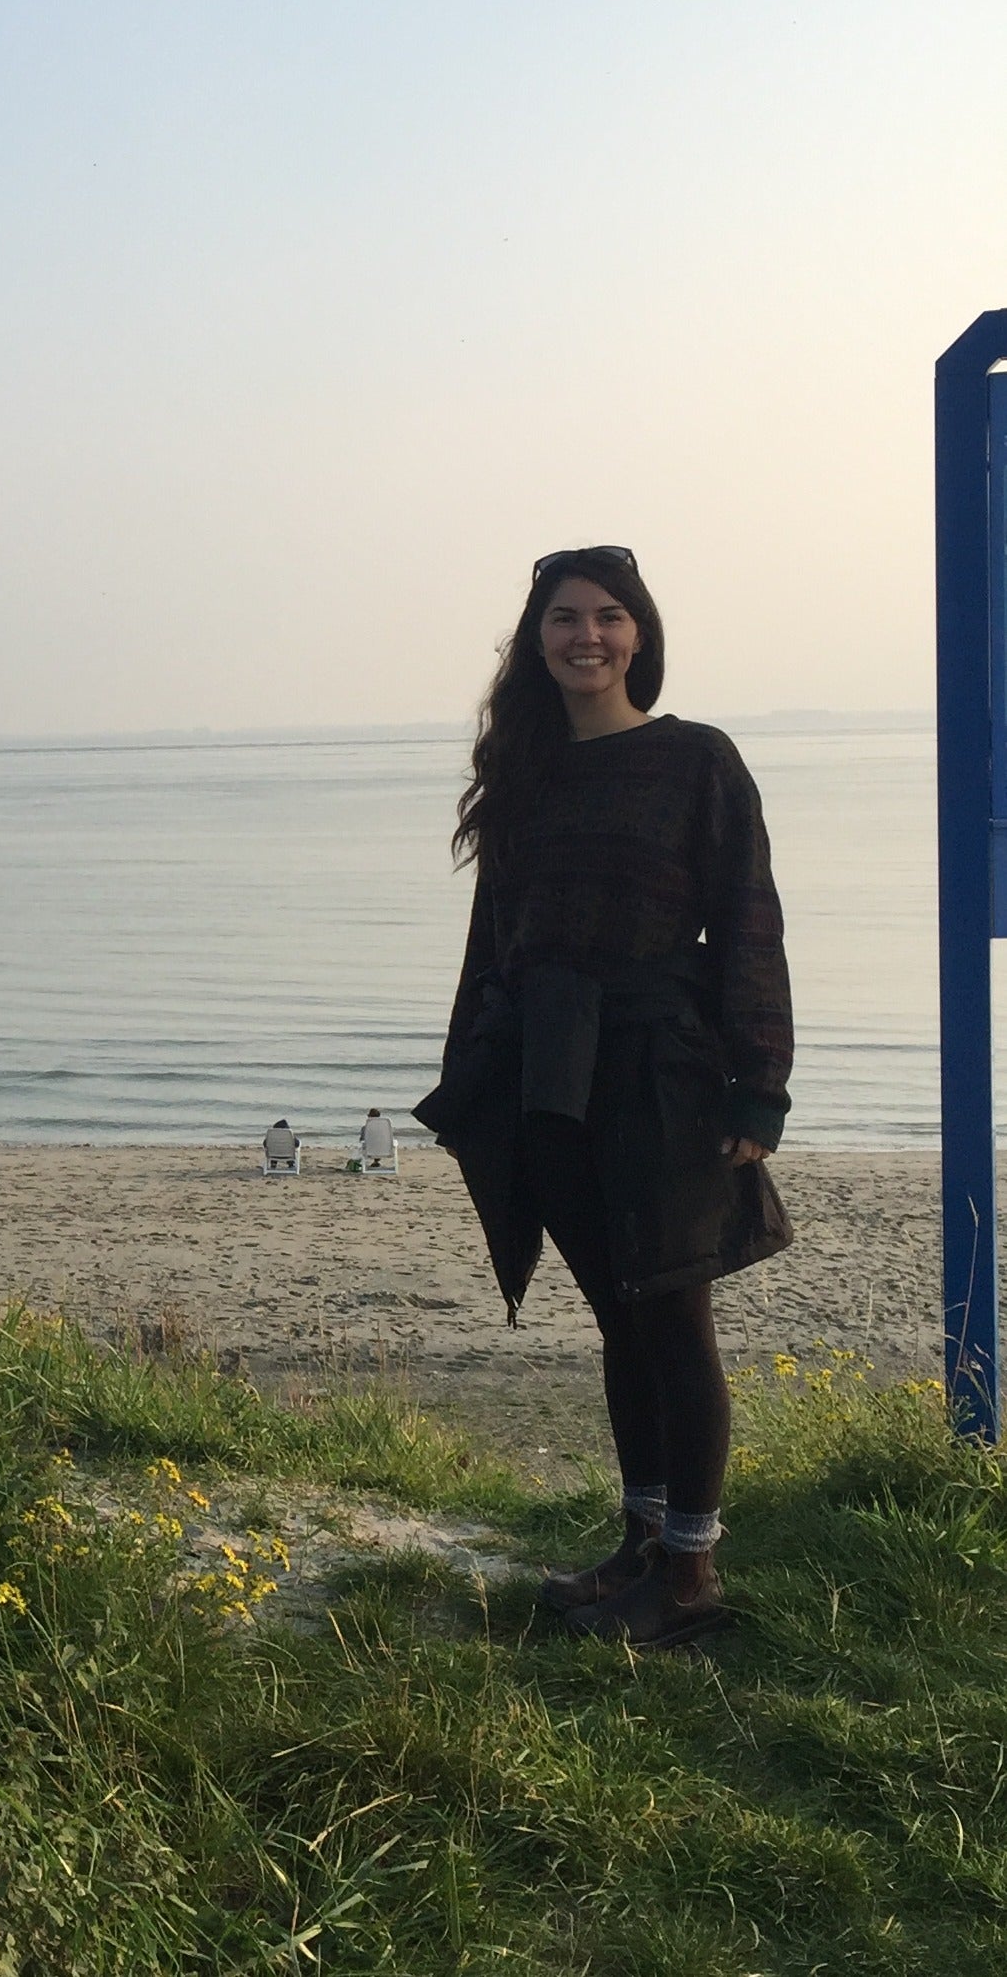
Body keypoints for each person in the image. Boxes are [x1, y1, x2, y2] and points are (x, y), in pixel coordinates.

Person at [414, 546, 793, 1649]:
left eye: (611, 617)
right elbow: (492, 942)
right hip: (550, 1068)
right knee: (618, 1319)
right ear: (537, 641)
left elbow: (750, 923)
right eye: (566, 618)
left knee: (673, 1314)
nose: (589, 636)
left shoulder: (696, 760)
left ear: (641, 636)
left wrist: (757, 1087)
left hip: (663, 1070)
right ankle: (640, 1543)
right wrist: (472, 1078)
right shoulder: (526, 773)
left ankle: (690, 1572)